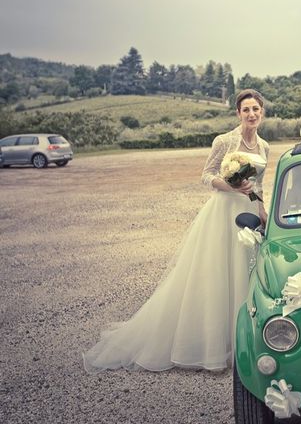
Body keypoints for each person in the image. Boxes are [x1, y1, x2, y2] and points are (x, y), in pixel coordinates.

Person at [83, 89, 269, 372]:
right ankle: (209, 346)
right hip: (221, 214)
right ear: (238, 113)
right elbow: (207, 175)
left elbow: (258, 186)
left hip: (247, 213)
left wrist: (263, 210)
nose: (251, 114)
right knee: (216, 276)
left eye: (256, 109)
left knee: (243, 274)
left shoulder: (265, 146)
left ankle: (240, 341)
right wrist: (230, 185)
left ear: (262, 112)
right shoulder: (225, 141)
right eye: (246, 109)